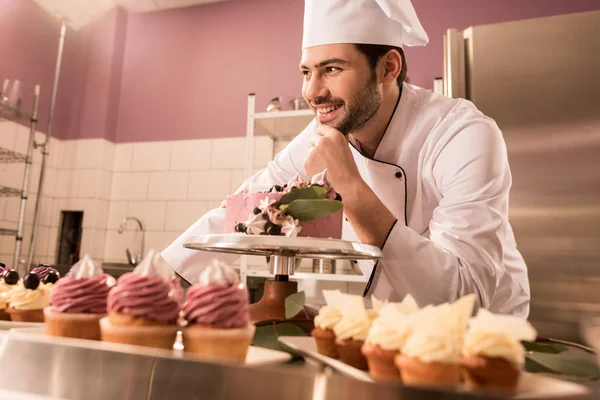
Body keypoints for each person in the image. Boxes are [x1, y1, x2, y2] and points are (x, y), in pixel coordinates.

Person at [162, 0, 530, 317]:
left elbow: (464, 296)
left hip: (488, 335)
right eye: (307, 72)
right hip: (395, 323)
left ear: (388, 68)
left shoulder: (462, 134)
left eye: (332, 69)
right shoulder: (320, 133)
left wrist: (350, 189)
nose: (312, 91)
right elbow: (246, 210)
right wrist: (164, 279)